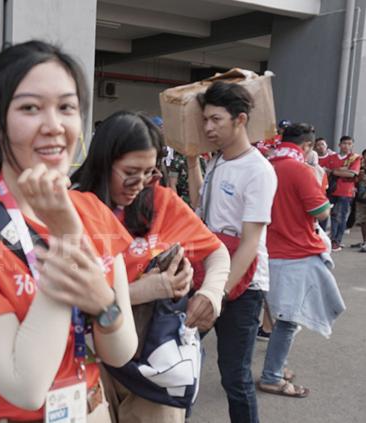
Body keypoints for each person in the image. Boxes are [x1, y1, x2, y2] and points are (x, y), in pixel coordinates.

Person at [0, 41, 138, 423]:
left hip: (90, 410)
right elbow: (25, 386)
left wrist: (104, 304)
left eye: (67, 107)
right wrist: (66, 238)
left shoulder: (94, 213)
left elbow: (120, 352)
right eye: (30, 108)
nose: (54, 126)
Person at [72, 111, 231, 423]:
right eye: (131, 171)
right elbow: (63, 299)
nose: (140, 183)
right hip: (91, 356)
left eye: (150, 172)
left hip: (157, 358)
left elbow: (217, 252)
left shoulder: (161, 202)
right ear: (104, 162)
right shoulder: (72, 209)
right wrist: (144, 291)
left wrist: (212, 294)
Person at [186, 81, 277, 423]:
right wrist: (193, 161)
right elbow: (200, 208)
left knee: (235, 376)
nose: (208, 127)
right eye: (205, 120)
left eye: (216, 120)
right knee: (179, 353)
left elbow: (251, 241)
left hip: (242, 286)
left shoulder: (258, 171)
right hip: (211, 273)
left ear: (240, 120)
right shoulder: (218, 160)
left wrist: (216, 294)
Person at [258, 123, 345, 398]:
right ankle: (272, 375)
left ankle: (277, 367)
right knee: (288, 321)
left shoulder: (265, 166)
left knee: (278, 317)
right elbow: (319, 211)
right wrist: (325, 203)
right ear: (306, 146)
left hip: (265, 252)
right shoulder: (300, 170)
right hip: (294, 254)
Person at [320, 136, 362, 251]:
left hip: (346, 191)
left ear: (352, 145)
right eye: (344, 143)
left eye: (349, 144)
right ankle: (324, 239)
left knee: (340, 217)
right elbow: (324, 171)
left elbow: (352, 174)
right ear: (339, 145)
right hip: (331, 190)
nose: (347, 146)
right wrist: (342, 170)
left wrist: (334, 171)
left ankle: (336, 241)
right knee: (325, 214)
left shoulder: (355, 158)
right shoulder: (331, 157)